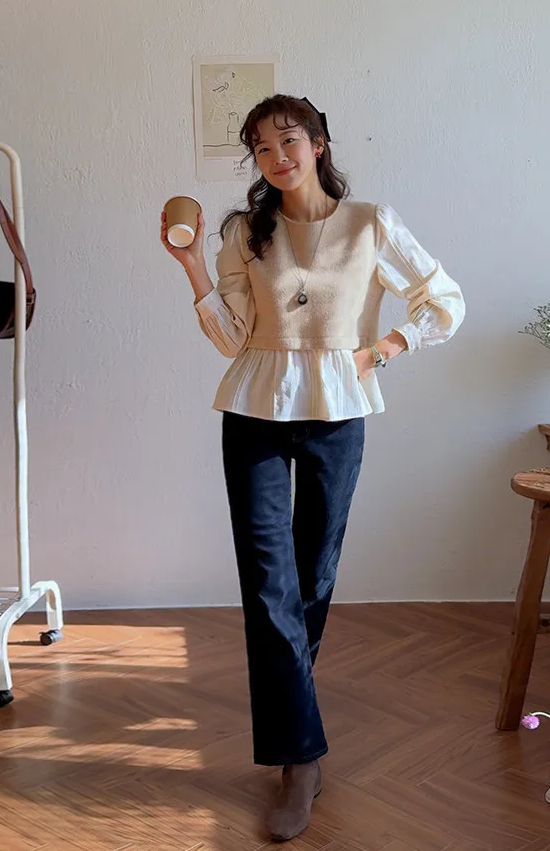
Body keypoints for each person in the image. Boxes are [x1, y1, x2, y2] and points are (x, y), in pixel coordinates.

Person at [161, 94, 464, 842]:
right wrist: (193, 265)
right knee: (269, 581)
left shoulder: (369, 224)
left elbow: (443, 300)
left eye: (288, 140)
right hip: (254, 411)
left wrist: (384, 349)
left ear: (319, 142)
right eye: (261, 148)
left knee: (313, 576)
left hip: (339, 413)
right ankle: (300, 760)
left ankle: (294, 732)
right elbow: (234, 339)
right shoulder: (245, 231)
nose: (277, 157)